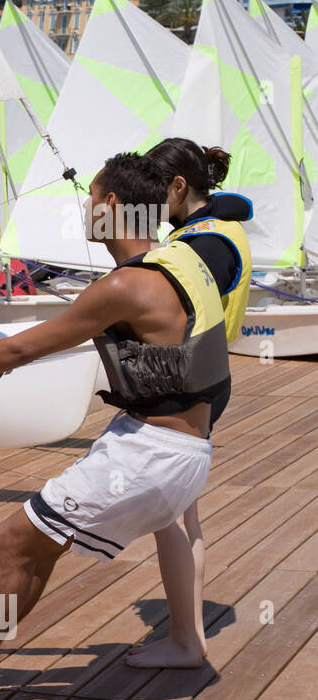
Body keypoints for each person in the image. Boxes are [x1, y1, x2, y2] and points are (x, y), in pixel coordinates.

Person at [0, 152, 228, 700]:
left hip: (152, 454)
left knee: (9, 541)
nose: (87, 208)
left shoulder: (127, 285)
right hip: (176, 445)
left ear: (113, 204)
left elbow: (20, 348)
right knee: (32, 547)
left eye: (91, 197)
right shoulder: (181, 261)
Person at [123, 139, 251, 669]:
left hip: (186, 382)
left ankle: (184, 641)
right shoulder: (220, 229)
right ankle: (188, 633)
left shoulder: (205, 245)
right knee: (182, 516)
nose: (147, 201)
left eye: (155, 190)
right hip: (206, 377)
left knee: (171, 517)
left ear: (178, 187)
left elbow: (171, 304)